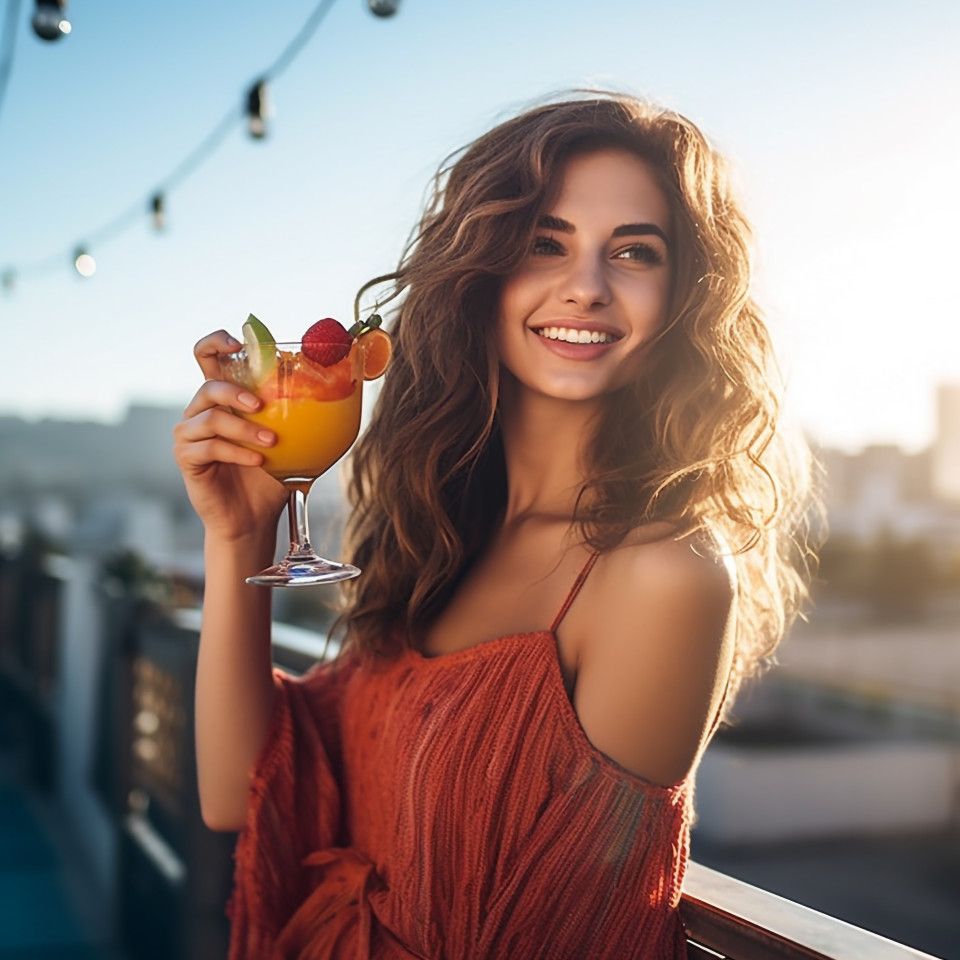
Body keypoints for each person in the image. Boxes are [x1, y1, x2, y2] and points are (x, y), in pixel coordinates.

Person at [173, 92, 819, 959]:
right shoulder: (442, 538)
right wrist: (237, 535)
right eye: (545, 243)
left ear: (680, 300)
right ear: (479, 272)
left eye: (634, 252)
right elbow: (235, 792)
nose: (586, 286)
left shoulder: (660, 576)